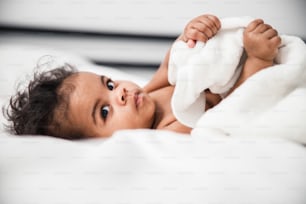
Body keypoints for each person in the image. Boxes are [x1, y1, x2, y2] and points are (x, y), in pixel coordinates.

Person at [3, 14, 281, 140]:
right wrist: (258, 59)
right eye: (104, 111)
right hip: (253, 84)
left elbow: (172, 63)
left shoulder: (148, 93)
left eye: (109, 84)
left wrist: (191, 35)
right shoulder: (168, 129)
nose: (119, 92)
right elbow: (234, 109)